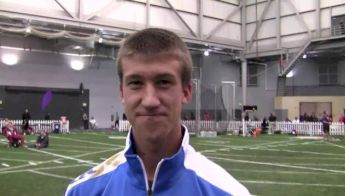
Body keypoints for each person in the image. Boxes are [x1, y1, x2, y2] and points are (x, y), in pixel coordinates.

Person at [65, 28, 250, 196]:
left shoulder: (228, 192)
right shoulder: (83, 191)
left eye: (163, 82)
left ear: (186, 92)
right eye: (136, 83)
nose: (150, 101)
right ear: (122, 93)